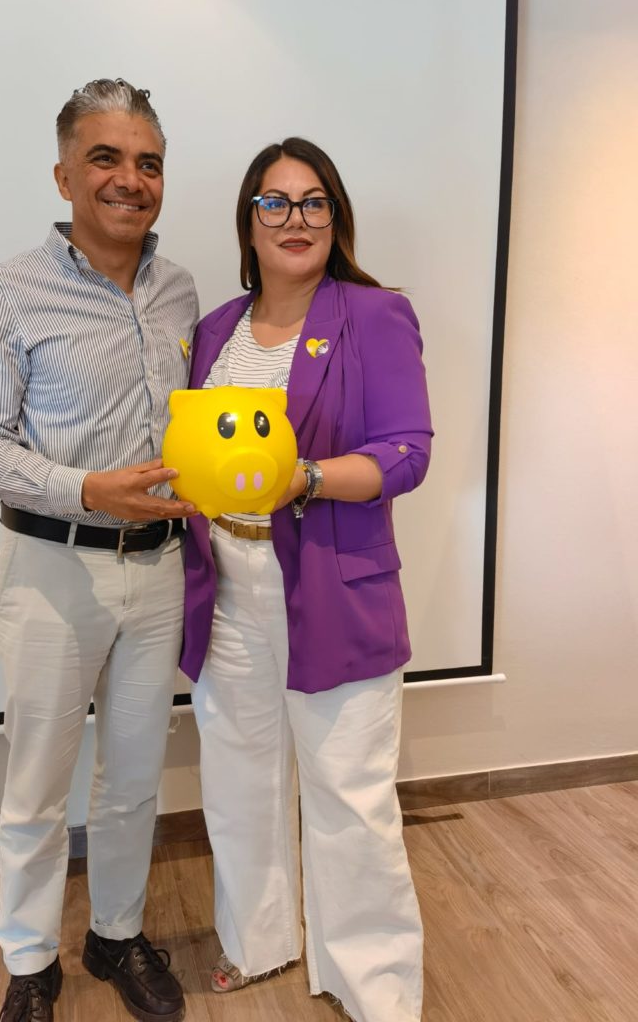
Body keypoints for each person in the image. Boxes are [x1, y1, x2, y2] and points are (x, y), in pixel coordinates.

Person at [0, 79, 198, 1022]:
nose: (130, 179)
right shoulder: (4, 294)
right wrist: (89, 490)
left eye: (148, 162)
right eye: (106, 158)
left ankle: (117, 934)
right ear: (63, 175)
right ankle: (29, 962)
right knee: (37, 786)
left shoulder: (180, 291)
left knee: (133, 778)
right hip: (52, 571)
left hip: (160, 568)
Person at [179, 138, 433, 1022]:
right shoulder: (216, 329)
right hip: (226, 583)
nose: (296, 218)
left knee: (350, 794)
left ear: (336, 218)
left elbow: (407, 454)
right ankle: (258, 942)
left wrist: (311, 478)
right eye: (275, 202)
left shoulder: (374, 314)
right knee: (238, 779)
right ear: (248, 222)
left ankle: (376, 986)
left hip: (332, 582)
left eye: (314, 201)